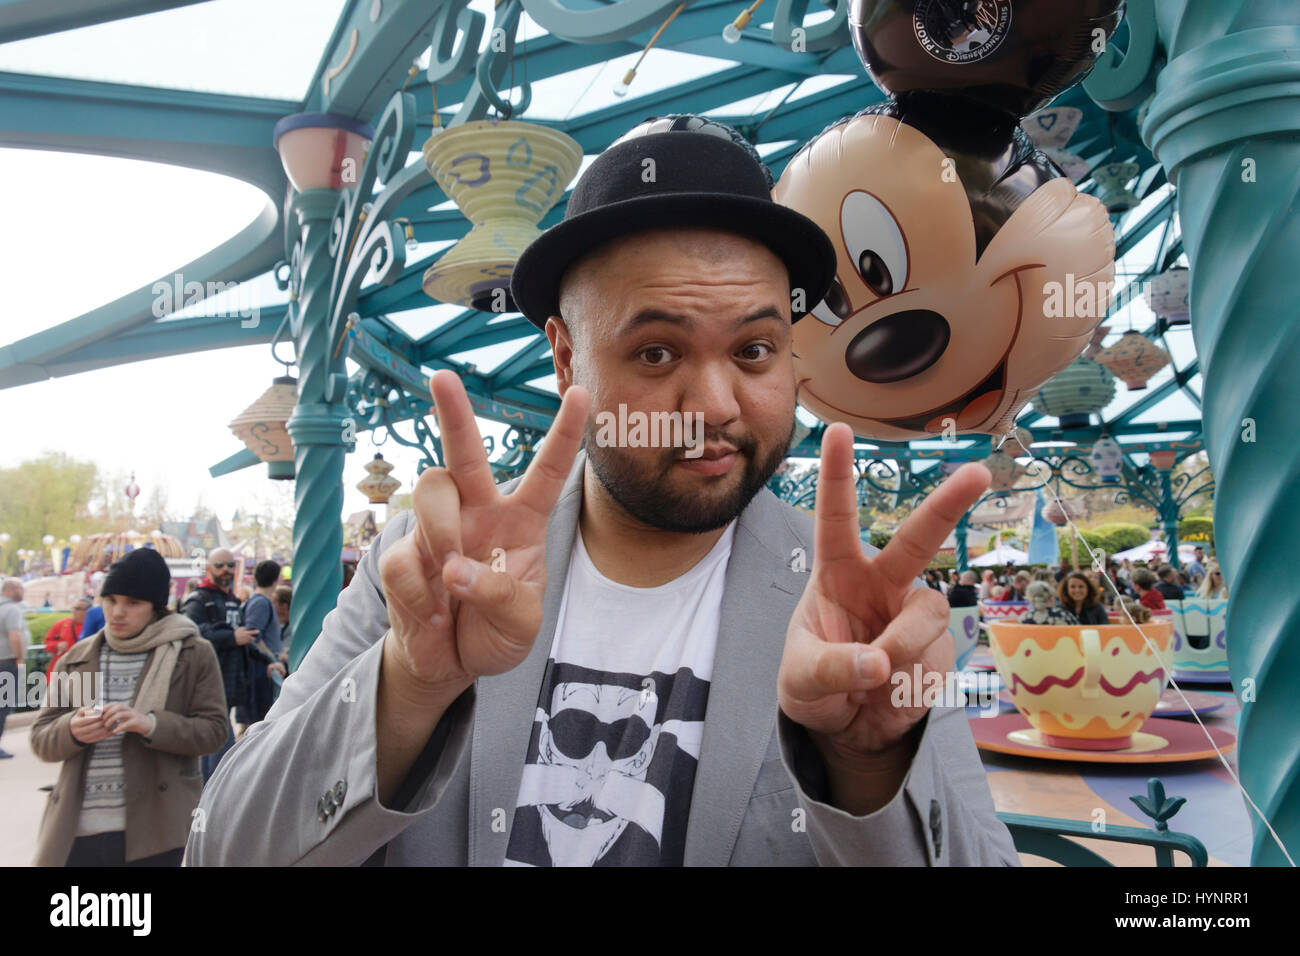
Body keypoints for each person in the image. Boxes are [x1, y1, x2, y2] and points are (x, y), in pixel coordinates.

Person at [188, 118, 1018, 867]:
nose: (717, 406)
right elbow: (223, 849)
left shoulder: (855, 613)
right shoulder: (429, 574)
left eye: (756, 351)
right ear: (564, 357)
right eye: (657, 353)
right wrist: (410, 684)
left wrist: (866, 768)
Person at [29, 549, 227, 866]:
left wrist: (149, 724)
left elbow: (214, 731)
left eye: (133, 603)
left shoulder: (191, 653)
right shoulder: (79, 659)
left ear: (156, 607)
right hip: (78, 834)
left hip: (158, 832)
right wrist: (72, 730)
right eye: (111, 600)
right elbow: (42, 739)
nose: (118, 612)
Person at [181, 548, 259, 780]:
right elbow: (190, 632)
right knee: (218, 748)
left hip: (230, 683)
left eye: (230, 564)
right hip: (208, 683)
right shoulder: (199, 600)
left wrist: (269, 661)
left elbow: (245, 637)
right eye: (219, 565)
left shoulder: (232, 600)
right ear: (208, 569)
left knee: (217, 747)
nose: (226, 569)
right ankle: (211, 799)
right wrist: (230, 638)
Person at [237, 560, 288, 728]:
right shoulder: (260, 602)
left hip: (264, 669)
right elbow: (253, 636)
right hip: (262, 672)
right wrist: (272, 657)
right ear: (276, 579)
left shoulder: (258, 600)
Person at [0, 578, 28, 759]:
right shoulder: (11, 609)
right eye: (20, 588)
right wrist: (19, 657)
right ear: (10, 590)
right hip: (6, 663)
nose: (22, 591)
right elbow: (14, 634)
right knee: (3, 706)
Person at [44, 598, 90, 678]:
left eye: (78, 609)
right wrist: (57, 645)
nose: (74, 611)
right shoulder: (61, 624)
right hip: (59, 672)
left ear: (88, 611)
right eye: (74, 608)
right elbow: (47, 644)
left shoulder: (92, 627)